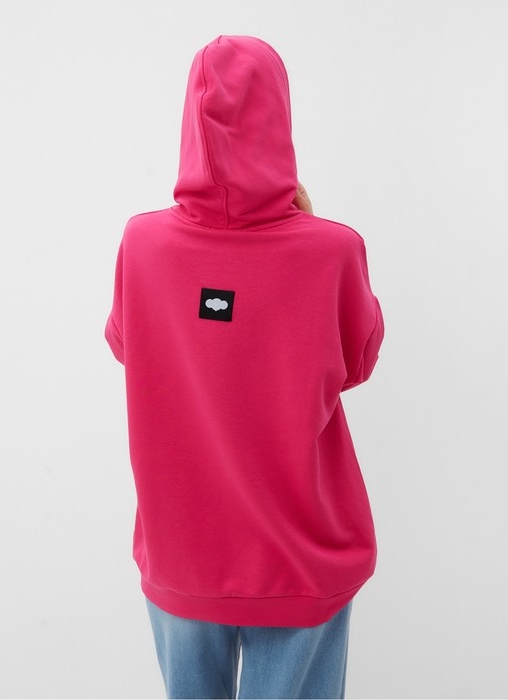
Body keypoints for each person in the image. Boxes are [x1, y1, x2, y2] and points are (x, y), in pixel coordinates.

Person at [105, 35, 384, 699]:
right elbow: (357, 362)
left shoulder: (142, 244)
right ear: (279, 119)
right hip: (300, 555)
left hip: (180, 549)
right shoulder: (333, 250)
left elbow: (129, 348)